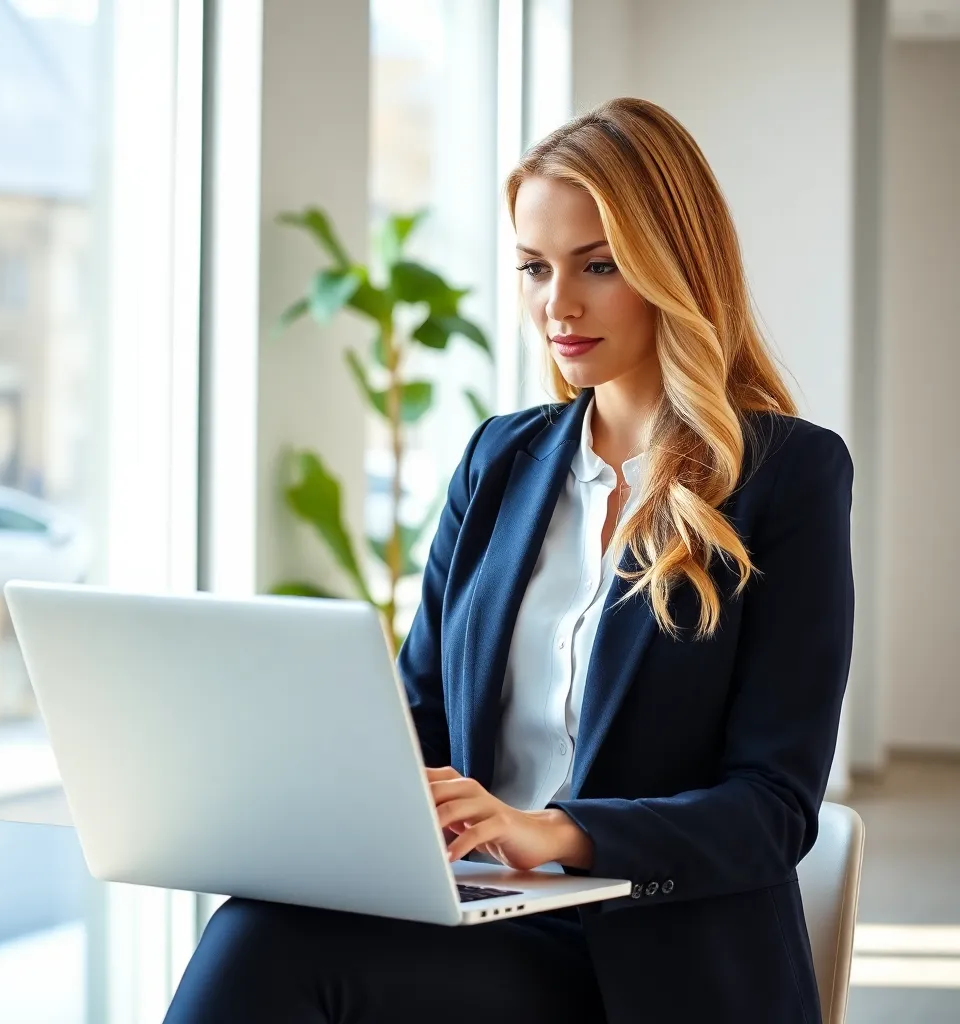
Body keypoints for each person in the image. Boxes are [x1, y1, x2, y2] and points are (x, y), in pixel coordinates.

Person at [164, 97, 854, 1024]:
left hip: (657, 958)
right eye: (533, 268)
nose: (556, 306)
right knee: (265, 929)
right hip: (486, 919)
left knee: (271, 954)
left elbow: (772, 808)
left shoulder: (786, 474)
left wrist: (550, 833)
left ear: (673, 268)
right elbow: (418, 715)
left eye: (598, 267)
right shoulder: (501, 458)